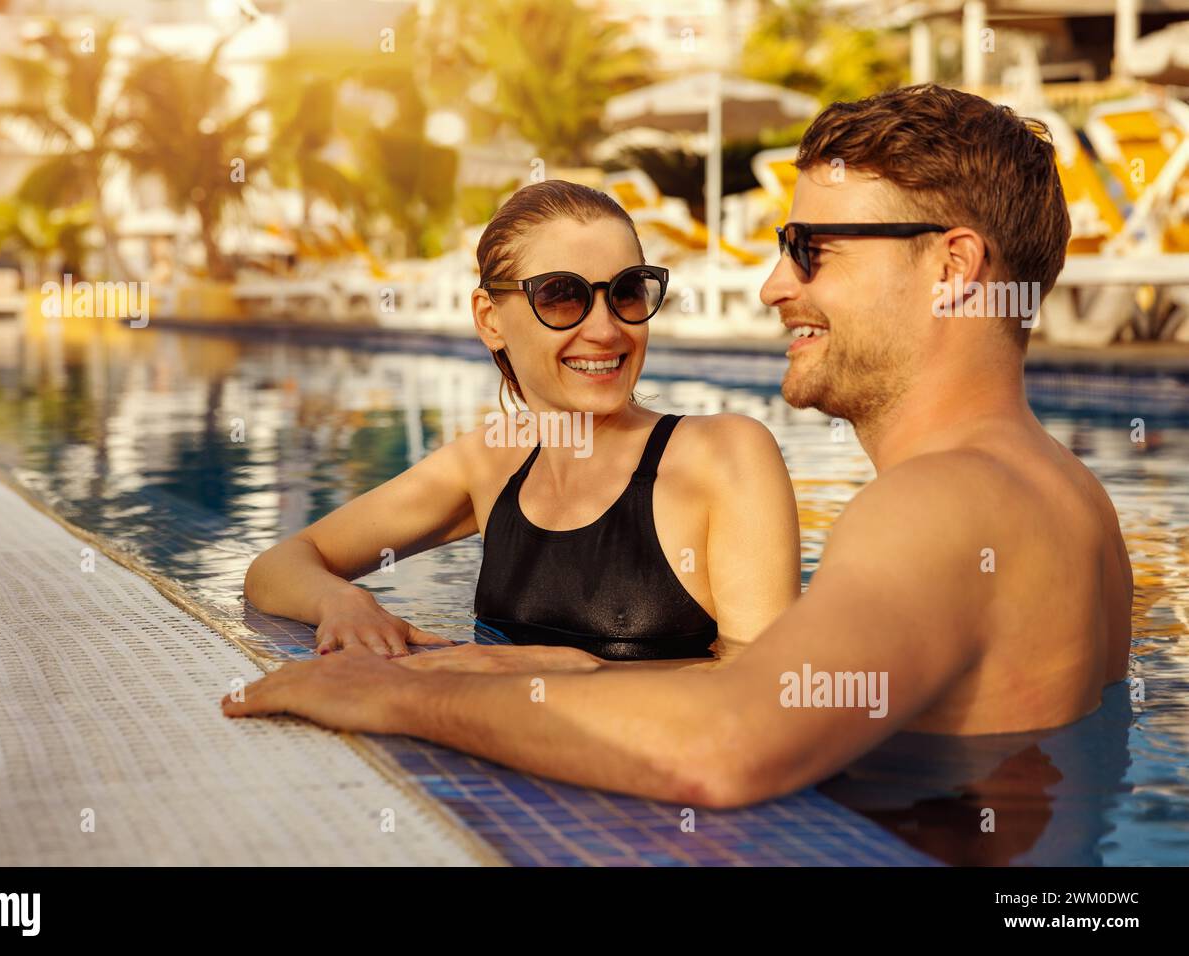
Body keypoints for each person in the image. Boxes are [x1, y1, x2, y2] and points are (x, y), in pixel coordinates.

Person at [224, 85, 1132, 810]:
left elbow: (727, 748)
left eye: (811, 250)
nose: (775, 286)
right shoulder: (1071, 496)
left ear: (955, 267)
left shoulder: (939, 505)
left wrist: (394, 695)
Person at [242, 179, 801, 665]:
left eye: (627, 292)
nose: (606, 330)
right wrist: (343, 601)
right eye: (561, 297)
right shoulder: (490, 463)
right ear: (490, 319)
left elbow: (762, 688)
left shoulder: (724, 455)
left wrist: (542, 675)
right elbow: (277, 566)